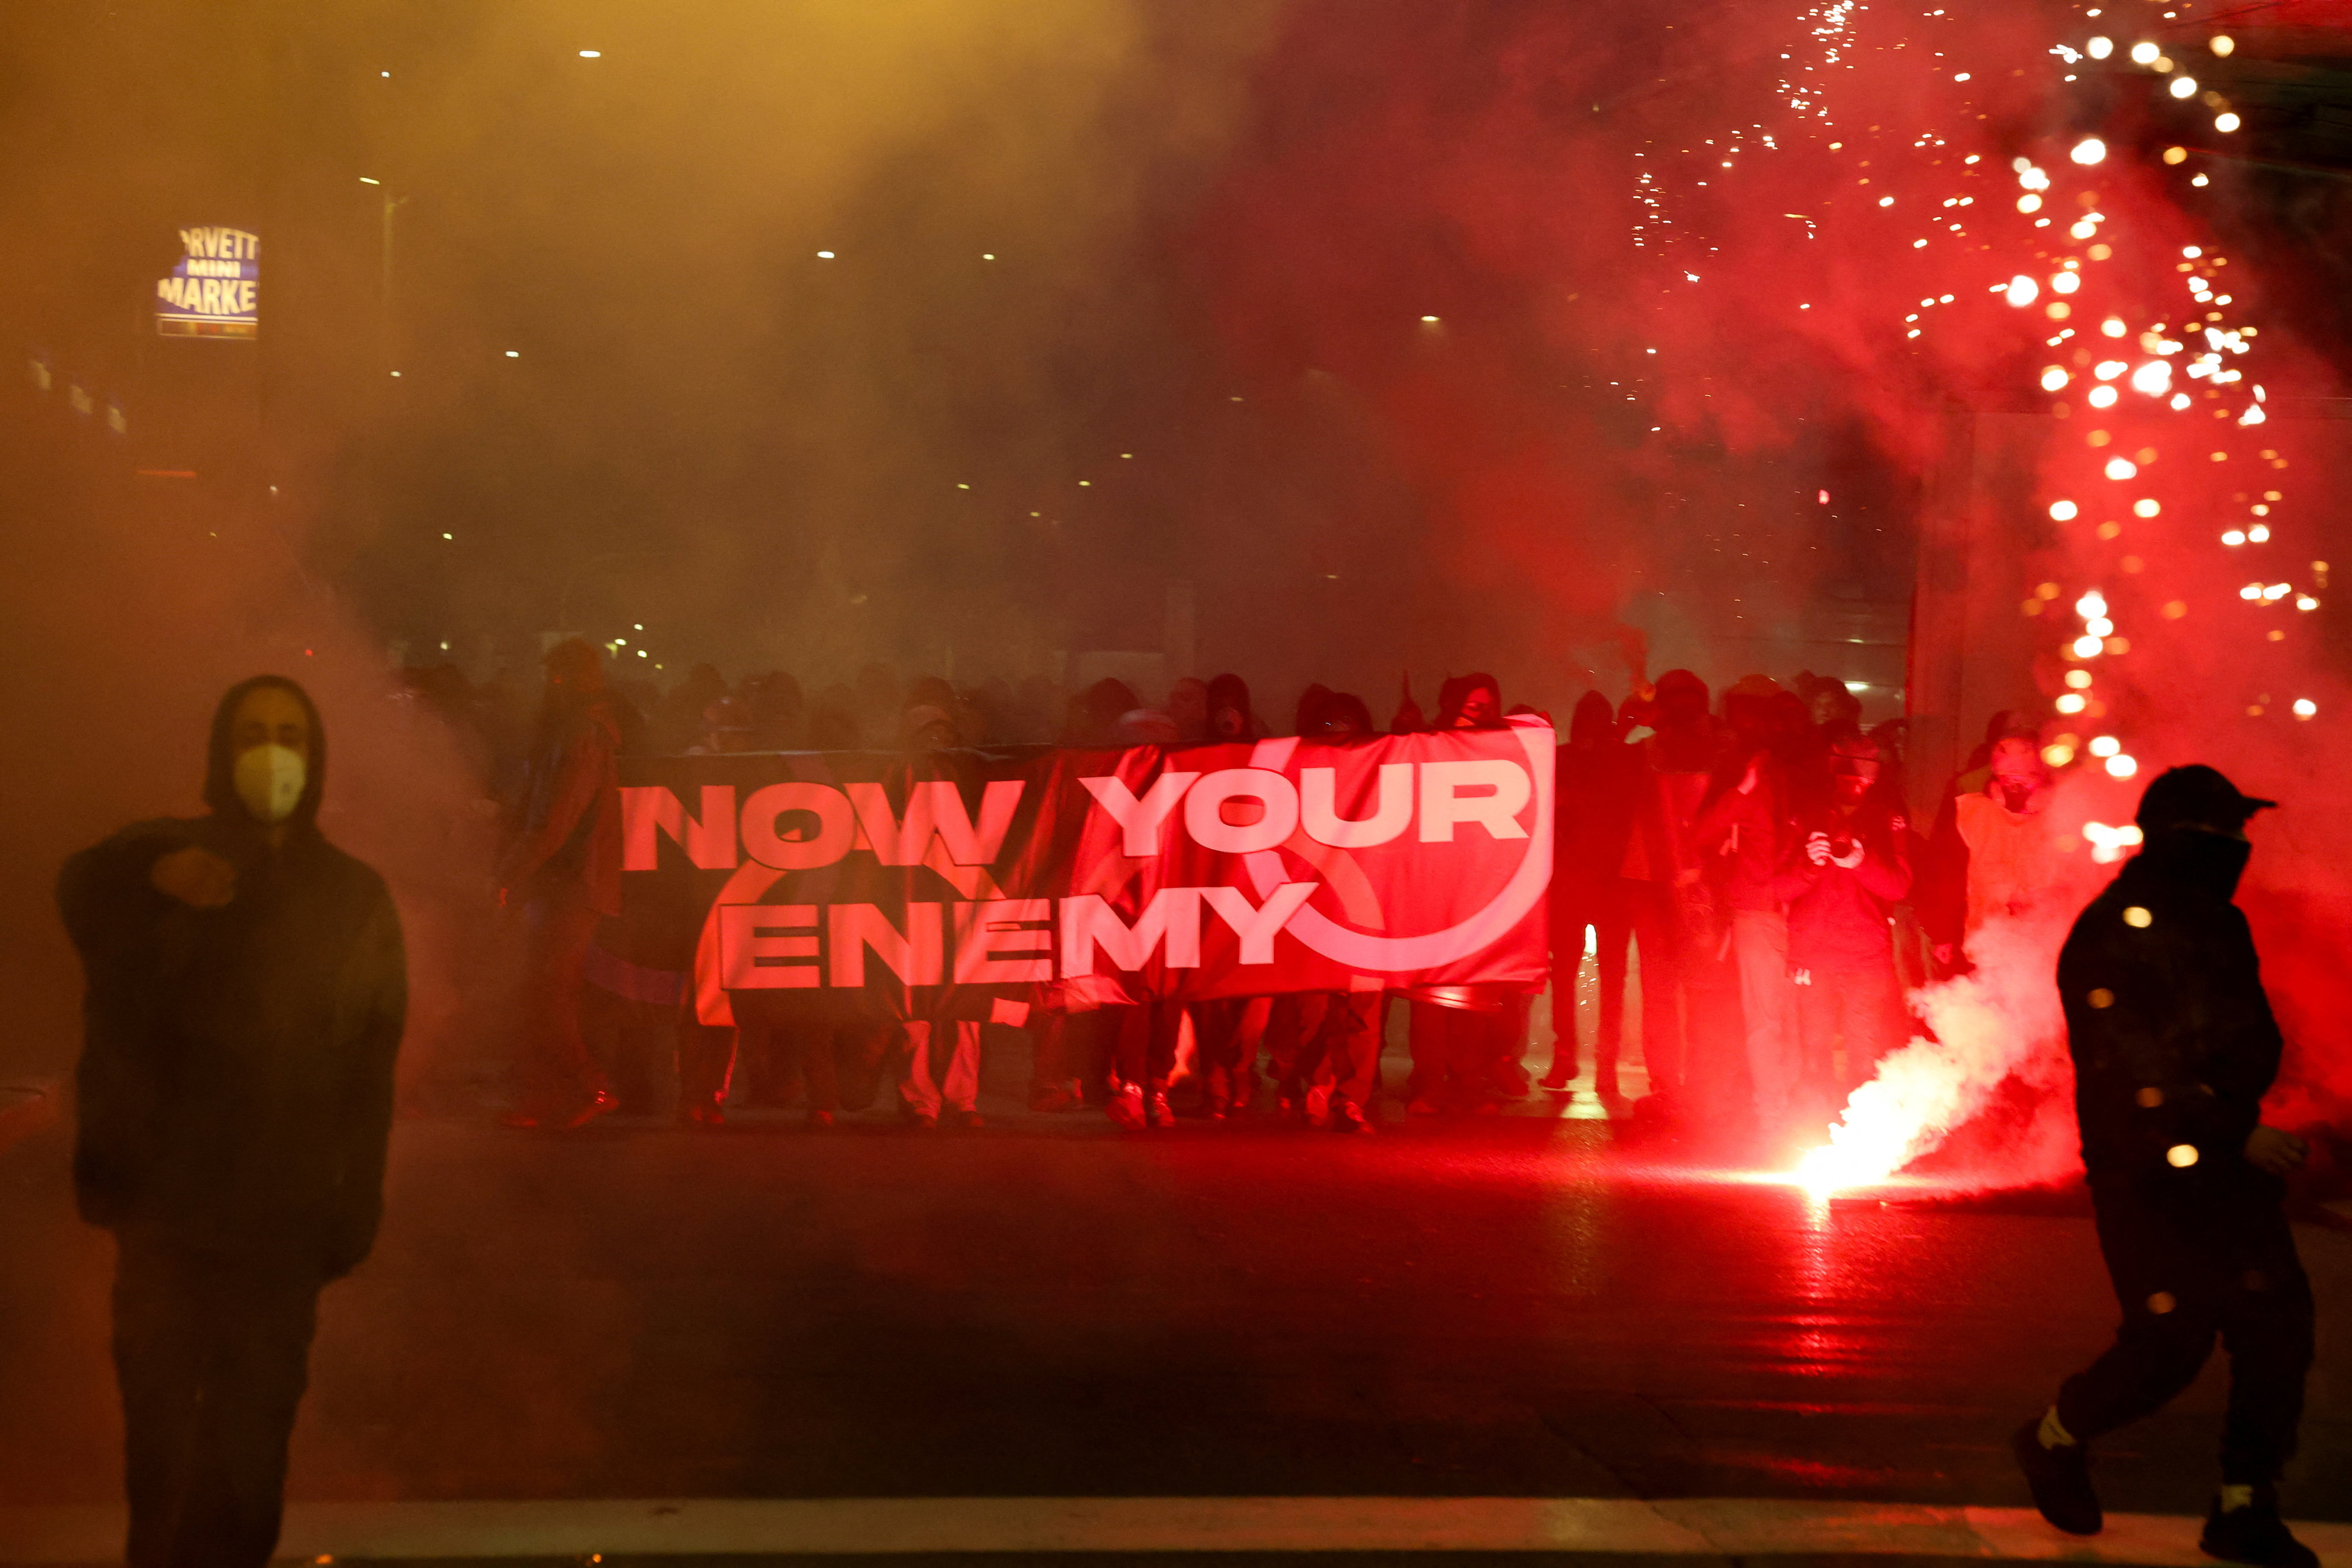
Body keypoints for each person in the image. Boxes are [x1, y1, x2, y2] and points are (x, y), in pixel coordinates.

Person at [59, 676, 406, 1568]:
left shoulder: (351, 896)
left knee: (249, 1458)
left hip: (281, 1217)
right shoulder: (167, 861)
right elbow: (80, 887)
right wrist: (153, 870)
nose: (272, 752)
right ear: (221, 749)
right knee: (162, 1453)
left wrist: (354, 1202)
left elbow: (370, 1069)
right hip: (164, 1208)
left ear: (316, 754)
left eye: (290, 733)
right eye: (253, 732)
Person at [2013, 766, 2317, 1568]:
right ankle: (2055, 1436)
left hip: (2226, 1158)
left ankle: (2245, 1502)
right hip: (2145, 1170)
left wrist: (2244, 1116)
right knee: (2171, 1340)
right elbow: (2128, 1068)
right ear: (2187, 836)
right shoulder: (2113, 929)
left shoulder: (2221, 922)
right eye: (2227, 833)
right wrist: (2229, 1125)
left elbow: (2248, 1035)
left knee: (2278, 1326)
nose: (2241, 846)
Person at [496, 638, 624, 1129]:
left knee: (550, 991)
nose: (547, 685)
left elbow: (558, 818)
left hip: (574, 881)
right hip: (559, 880)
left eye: (555, 675)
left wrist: (511, 870)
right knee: (539, 991)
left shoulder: (584, 733)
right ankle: (545, 1097)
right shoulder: (569, 729)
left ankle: (591, 1085)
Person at [1773, 732, 1911, 1119]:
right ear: (1832, 770)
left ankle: (1859, 1138)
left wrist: (1862, 863)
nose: (1856, 782)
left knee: (1863, 1059)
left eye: (1865, 774)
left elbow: (1900, 886)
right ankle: (1813, 1137)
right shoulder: (1806, 813)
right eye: (1847, 772)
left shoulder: (1888, 817)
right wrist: (1809, 865)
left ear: (1876, 776)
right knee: (1814, 1054)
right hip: (1815, 957)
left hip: (1866, 958)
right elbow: (1777, 886)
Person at [1694, 676, 1798, 1135]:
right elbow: (1702, 833)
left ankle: (1779, 1108)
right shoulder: (1753, 781)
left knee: (1781, 1021)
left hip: (1785, 914)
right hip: (1762, 914)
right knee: (1767, 1021)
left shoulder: (1783, 780)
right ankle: (1773, 1114)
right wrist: (1743, 787)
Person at [1619, 669, 1722, 1106]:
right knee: (1671, 986)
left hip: (1691, 880)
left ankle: (1687, 1079)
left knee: (1689, 986)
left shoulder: (1711, 746)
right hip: (1656, 879)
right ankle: (1672, 1080)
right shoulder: (1648, 749)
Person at [1547, 691, 1637, 1095]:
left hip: (1580, 882)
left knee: (1567, 975)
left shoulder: (1563, 759)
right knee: (1608, 976)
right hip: (1608, 884)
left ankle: (1569, 1056)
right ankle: (1601, 1065)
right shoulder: (1622, 761)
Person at [1922, 726, 2064, 972]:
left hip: (2043, 947)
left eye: (2027, 779)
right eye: (2009, 779)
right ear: (1996, 779)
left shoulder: (2063, 817)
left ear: (2042, 780)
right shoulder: (1970, 813)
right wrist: (1942, 934)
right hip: (1981, 946)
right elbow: (1943, 876)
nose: (2016, 787)